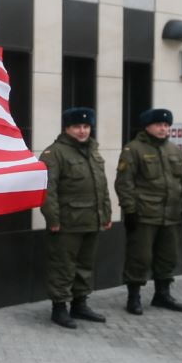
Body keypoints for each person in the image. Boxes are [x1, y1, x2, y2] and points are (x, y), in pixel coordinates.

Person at [115, 107, 182, 315]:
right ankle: (134, 297)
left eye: (166, 125)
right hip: (144, 215)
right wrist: (129, 211)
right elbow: (124, 183)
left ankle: (162, 295)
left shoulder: (174, 150)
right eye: (159, 124)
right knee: (139, 257)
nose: (163, 128)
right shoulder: (133, 150)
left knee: (167, 256)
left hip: (170, 215)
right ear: (148, 126)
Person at [39, 107, 112, 329]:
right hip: (67, 223)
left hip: (92, 220)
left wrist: (106, 214)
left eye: (86, 126)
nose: (82, 131)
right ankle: (59, 308)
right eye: (77, 127)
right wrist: (53, 220)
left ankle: (80, 305)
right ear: (67, 128)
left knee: (85, 266)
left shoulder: (94, 151)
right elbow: (47, 191)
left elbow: (102, 186)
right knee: (63, 266)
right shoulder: (54, 153)